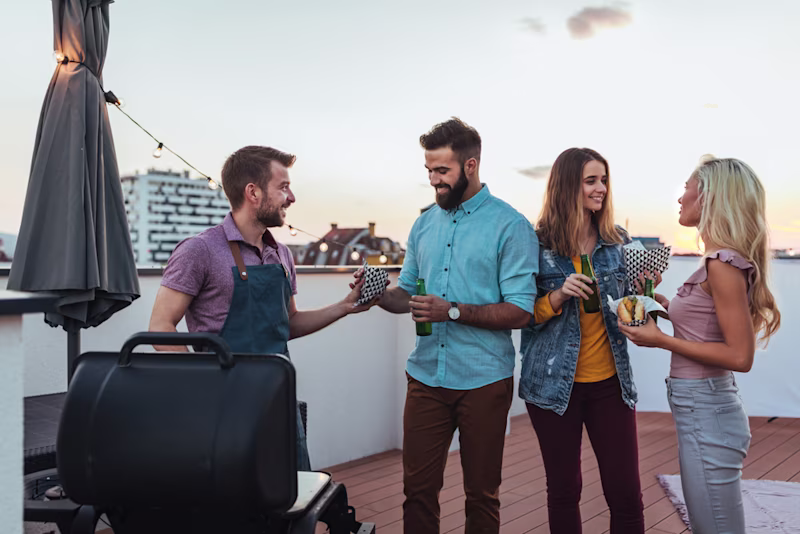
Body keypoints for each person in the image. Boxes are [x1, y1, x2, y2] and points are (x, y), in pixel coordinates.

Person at [148, 145, 381, 471]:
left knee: (293, 497)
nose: (292, 197)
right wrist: (202, 383)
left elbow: (289, 323)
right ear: (253, 192)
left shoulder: (281, 255)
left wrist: (345, 306)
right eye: (283, 187)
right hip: (222, 405)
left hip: (279, 399)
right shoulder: (198, 251)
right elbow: (161, 327)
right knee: (233, 507)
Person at [374, 118, 538, 534]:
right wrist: (375, 294)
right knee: (417, 491)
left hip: (484, 380)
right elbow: (406, 293)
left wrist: (451, 311)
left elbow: (521, 310)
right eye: (429, 171)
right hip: (426, 376)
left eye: (442, 171)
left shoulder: (511, 226)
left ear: (470, 166)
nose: (434, 181)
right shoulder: (424, 224)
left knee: (482, 496)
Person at [619, 156, 781, 533]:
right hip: (701, 406)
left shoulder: (722, 265)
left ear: (708, 197)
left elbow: (740, 356)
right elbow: (707, 329)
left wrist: (661, 340)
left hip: (707, 408)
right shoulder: (717, 262)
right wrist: (662, 308)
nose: (680, 198)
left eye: (687, 188)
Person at [519, 147, 645, 533]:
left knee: (626, 494)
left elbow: (633, 312)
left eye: (603, 180)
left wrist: (642, 294)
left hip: (610, 384)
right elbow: (523, 315)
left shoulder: (618, 241)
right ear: (567, 186)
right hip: (552, 388)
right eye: (591, 180)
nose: (601, 189)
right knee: (563, 490)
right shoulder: (535, 245)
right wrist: (557, 296)